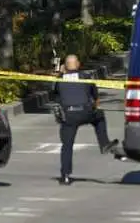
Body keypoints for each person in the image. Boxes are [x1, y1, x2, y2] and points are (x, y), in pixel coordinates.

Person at [52, 54, 118, 185]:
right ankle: (104, 143)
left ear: (65, 66)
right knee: (99, 116)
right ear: (78, 65)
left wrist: (60, 74)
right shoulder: (86, 77)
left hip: (68, 115)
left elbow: (56, 96)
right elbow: (95, 96)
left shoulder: (59, 80)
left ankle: (65, 175)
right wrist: (94, 107)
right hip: (85, 111)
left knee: (67, 146)